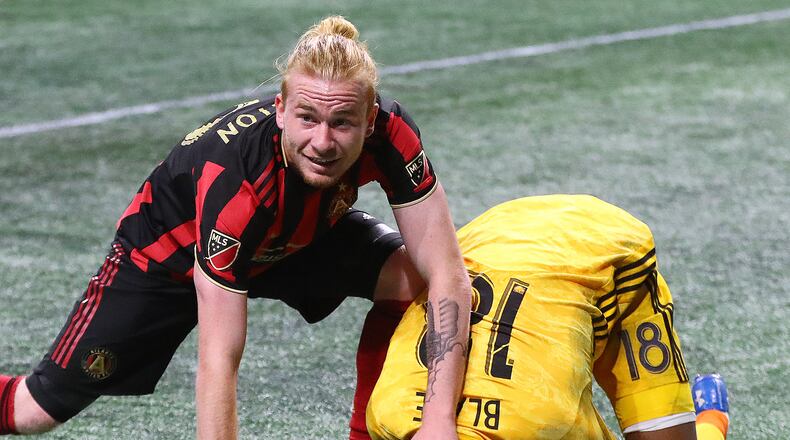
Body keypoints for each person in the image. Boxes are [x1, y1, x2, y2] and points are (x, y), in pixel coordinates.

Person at [0, 16, 471, 439]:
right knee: (34, 412)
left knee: (409, 281)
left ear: (369, 120)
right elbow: (219, 359)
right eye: (307, 119)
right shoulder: (238, 184)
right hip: (167, 260)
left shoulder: (392, 136)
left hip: (291, 238)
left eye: (342, 123)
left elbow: (447, 275)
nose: (323, 142)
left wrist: (437, 422)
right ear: (281, 109)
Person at [364, 194, 730, 439]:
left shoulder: (549, 424)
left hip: (600, 245)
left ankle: (711, 422)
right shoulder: (384, 414)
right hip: (492, 234)